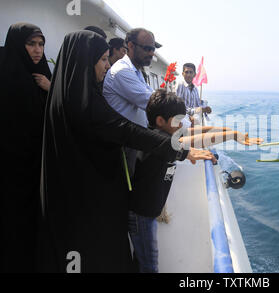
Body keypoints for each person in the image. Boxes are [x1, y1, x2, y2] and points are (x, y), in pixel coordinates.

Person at [37, 30, 214, 273]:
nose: (107, 66)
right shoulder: (86, 103)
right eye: (101, 60)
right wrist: (182, 151)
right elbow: (127, 130)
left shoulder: (73, 95)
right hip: (86, 195)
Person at [129, 89, 262, 273]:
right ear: (161, 121)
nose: (182, 124)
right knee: (149, 265)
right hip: (142, 215)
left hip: (146, 211)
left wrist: (232, 132)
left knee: (142, 259)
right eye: (178, 120)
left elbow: (196, 130)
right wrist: (231, 136)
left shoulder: (163, 135)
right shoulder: (162, 142)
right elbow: (199, 138)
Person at [0, 22, 52, 273]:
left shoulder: (43, 75)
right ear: (18, 44)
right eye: (31, 44)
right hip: (10, 167)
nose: (37, 50)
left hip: (35, 166)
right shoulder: (7, 73)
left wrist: (51, 90)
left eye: (41, 44)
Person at [103, 28, 157, 176]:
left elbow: (152, 95)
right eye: (147, 48)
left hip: (134, 141)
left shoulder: (136, 71)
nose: (152, 53)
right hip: (123, 145)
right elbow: (151, 102)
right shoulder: (122, 71)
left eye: (153, 49)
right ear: (131, 46)